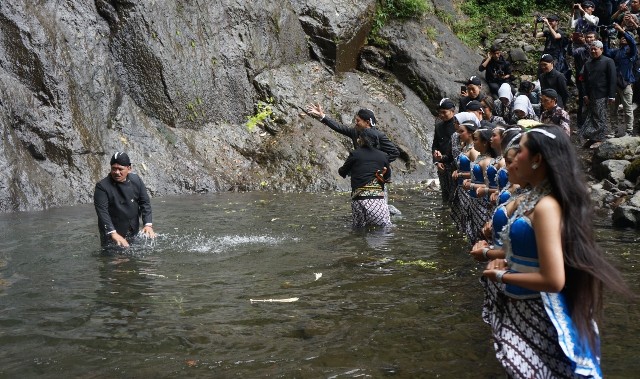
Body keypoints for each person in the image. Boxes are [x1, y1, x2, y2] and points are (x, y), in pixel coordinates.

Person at [480, 124, 632, 378]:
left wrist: (500, 276)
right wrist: (504, 262)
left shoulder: (546, 206)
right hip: (524, 308)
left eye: (520, 152)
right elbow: (530, 255)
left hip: (540, 314)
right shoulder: (535, 199)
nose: (514, 157)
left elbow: (553, 279)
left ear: (538, 159)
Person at [94, 152, 156, 247]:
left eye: (120, 169)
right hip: (112, 234)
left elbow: (145, 203)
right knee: (114, 259)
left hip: (132, 230)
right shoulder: (102, 187)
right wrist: (113, 233)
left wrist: (148, 224)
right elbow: (102, 212)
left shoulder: (136, 180)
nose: (117, 172)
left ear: (129, 168)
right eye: (114, 169)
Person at [306, 104, 400, 162]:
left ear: (367, 122)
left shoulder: (379, 136)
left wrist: (380, 164)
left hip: (376, 174)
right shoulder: (355, 132)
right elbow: (338, 127)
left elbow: (395, 152)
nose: (356, 123)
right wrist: (322, 116)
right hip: (360, 173)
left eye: (358, 120)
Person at [338, 128, 391, 228]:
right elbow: (387, 177)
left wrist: (351, 170)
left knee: (358, 231)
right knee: (384, 231)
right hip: (377, 201)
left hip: (358, 200)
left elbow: (342, 172)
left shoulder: (355, 154)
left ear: (362, 140)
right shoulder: (383, 156)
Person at [578, 40, 617, 148]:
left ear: (602, 49)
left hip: (603, 93)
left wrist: (611, 95)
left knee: (600, 117)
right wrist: (585, 94)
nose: (594, 51)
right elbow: (584, 80)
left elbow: (612, 79)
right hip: (591, 94)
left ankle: (600, 138)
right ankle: (593, 138)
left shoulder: (608, 61)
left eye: (596, 49)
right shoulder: (588, 63)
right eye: (592, 49)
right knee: (590, 116)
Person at [604, 22, 637, 137]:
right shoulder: (617, 52)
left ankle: (629, 130)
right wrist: (605, 37)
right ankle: (614, 130)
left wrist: (622, 31)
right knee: (613, 109)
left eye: (624, 37)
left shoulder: (631, 51)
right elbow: (606, 52)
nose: (622, 39)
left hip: (626, 83)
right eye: (621, 38)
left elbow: (633, 43)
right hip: (614, 84)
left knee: (628, 109)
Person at [432, 98, 457, 202]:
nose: (441, 115)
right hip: (442, 164)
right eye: (440, 113)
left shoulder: (458, 125)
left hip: (454, 164)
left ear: (452, 111)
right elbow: (435, 145)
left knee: (454, 193)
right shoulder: (438, 126)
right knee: (445, 194)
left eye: (444, 112)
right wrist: (437, 162)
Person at [535, 14, 570, 80]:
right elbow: (535, 35)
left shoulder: (561, 32)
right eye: (549, 20)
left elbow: (556, 36)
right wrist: (536, 24)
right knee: (540, 74)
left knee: (553, 75)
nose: (550, 22)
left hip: (555, 57)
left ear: (557, 22)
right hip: (545, 55)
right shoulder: (547, 32)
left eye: (552, 21)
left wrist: (548, 24)